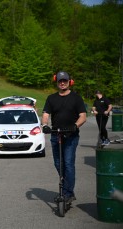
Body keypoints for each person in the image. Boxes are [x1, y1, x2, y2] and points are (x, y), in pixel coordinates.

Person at [41, 71, 87, 204]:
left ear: (70, 82)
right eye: (60, 81)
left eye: (65, 81)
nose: (62, 83)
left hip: (71, 135)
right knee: (58, 164)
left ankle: (67, 193)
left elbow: (82, 116)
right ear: (56, 82)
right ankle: (69, 191)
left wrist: (75, 126)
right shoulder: (51, 98)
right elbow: (45, 114)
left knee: (68, 163)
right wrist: (45, 125)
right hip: (56, 134)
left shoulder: (76, 98)